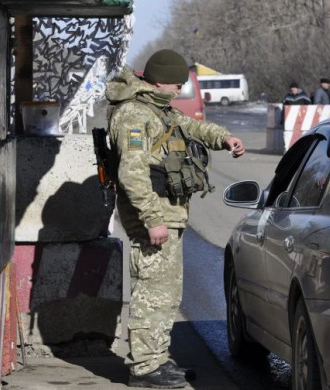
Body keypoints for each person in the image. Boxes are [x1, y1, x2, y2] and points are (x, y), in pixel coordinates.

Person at [105, 49, 245, 389]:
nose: (181, 90)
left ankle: (156, 359)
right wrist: (152, 218)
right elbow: (133, 175)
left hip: (169, 214)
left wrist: (223, 138)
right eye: (178, 83)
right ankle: (145, 369)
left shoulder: (158, 110)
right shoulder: (134, 115)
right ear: (159, 81)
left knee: (166, 294)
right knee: (151, 292)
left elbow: (192, 127)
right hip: (153, 217)